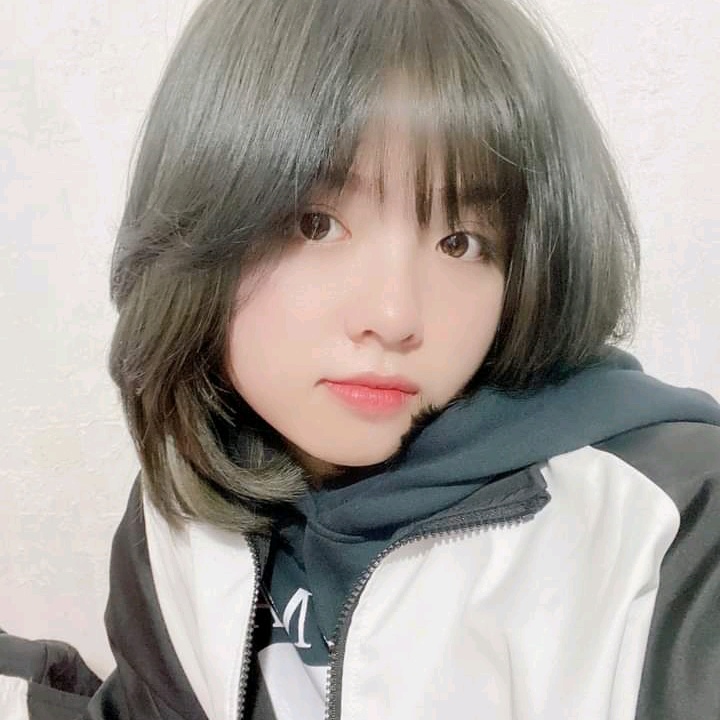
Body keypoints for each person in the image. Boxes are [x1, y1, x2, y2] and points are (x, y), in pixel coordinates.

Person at [2, 0, 718, 718]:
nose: (395, 316)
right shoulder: (184, 502)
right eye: (317, 225)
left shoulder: (671, 532)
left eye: (461, 242)